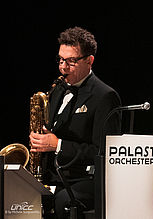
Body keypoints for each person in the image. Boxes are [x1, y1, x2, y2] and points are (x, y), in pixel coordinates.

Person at [29, 26, 121, 218]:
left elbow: (103, 152)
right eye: (61, 60)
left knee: (63, 202)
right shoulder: (58, 89)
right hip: (54, 176)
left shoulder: (105, 96)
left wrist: (58, 145)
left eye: (71, 61)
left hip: (85, 179)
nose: (63, 67)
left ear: (89, 61)